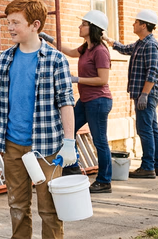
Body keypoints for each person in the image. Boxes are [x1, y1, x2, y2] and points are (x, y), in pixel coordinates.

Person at [0, 0, 76, 239]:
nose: (10, 27)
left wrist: (69, 143)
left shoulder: (56, 60)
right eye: (8, 22)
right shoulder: (5, 58)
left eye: (16, 22)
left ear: (35, 25)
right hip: (12, 145)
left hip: (47, 147)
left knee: (49, 209)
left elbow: (66, 102)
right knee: (17, 206)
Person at [44, 11, 113, 193]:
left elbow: (102, 79)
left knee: (100, 141)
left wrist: (77, 79)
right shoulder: (86, 48)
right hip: (86, 100)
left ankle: (105, 181)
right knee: (67, 129)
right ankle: (72, 167)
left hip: (98, 101)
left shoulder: (100, 51)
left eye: (83, 24)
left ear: (93, 28)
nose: (79, 26)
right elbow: (68, 51)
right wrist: (49, 39)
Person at [103, 9, 158, 179]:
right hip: (143, 93)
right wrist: (108, 40)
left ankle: (148, 167)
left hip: (146, 94)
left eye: (136, 22)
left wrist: (144, 94)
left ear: (144, 25)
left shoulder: (151, 45)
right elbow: (124, 49)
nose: (133, 24)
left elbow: (152, 72)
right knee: (152, 128)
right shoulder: (141, 43)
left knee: (144, 129)